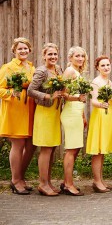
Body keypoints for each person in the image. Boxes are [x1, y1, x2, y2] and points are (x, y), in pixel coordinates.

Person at [0, 37, 35, 195]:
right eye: (20, 48)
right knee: (18, 145)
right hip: (16, 109)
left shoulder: (32, 67)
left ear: (29, 50)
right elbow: (0, 89)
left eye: (25, 48)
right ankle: (15, 180)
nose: (23, 51)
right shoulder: (8, 67)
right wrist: (11, 93)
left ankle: (21, 178)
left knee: (31, 146)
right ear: (14, 50)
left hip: (30, 109)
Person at [28, 43, 63, 196]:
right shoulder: (41, 71)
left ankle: (48, 182)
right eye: (50, 54)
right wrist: (48, 96)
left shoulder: (58, 69)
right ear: (44, 56)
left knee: (53, 147)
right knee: (46, 148)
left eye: (55, 54)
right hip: (44, 113)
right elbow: (31, 90)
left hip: (55, 112)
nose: (53, 57)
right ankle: (42, 184)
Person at [86, 56, 112, 193]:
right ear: (97, 68)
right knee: (98, 151)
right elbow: (92, 101)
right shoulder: (96, 82)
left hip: (109, 114)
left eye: (108, 65)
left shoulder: (110, 81)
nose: (106, 67)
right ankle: (96, 181)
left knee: (103, 150)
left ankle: (101, 180)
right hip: (100, 115)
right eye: (103, 65)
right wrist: (101, 104)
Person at [60, 46, 88, 196]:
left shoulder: (78, 72)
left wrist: (83, 115)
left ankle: (66, 181)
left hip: (77, 112)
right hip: (70, 112)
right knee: (71, 149)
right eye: (77, 56)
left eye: (82, 56)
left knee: (75, 149)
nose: (80, 58)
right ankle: (69, 185)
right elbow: (63, 94)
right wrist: (77, 98)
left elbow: (80, 97)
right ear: (70, 57)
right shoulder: (70, 71)